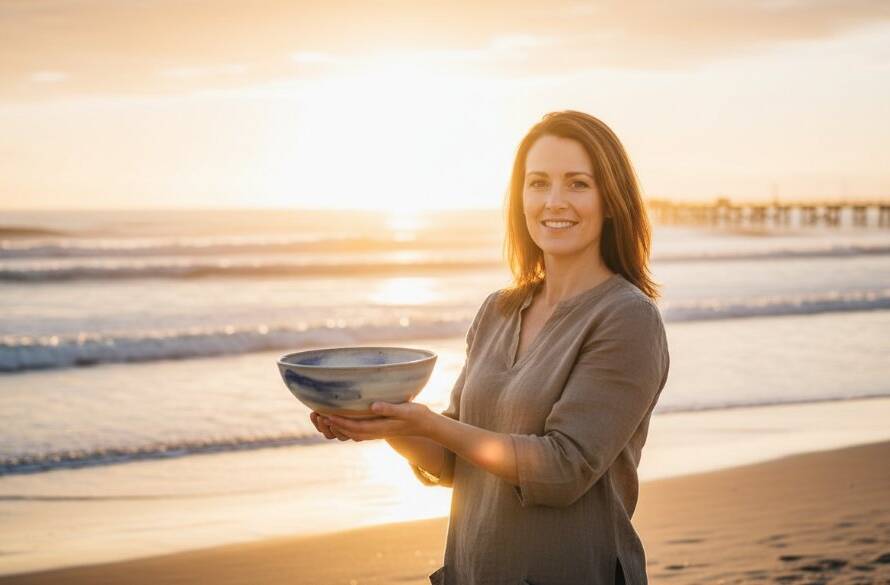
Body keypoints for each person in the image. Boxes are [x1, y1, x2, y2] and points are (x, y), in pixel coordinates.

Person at [310, 110, 670, 585]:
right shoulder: (498, 310)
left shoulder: (627, 318)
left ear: (610, 200)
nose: (554, 201)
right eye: (538, 183)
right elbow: (453, 462)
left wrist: (431, 424)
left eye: (578, 184)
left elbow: (563, 469)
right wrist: (388, 423)